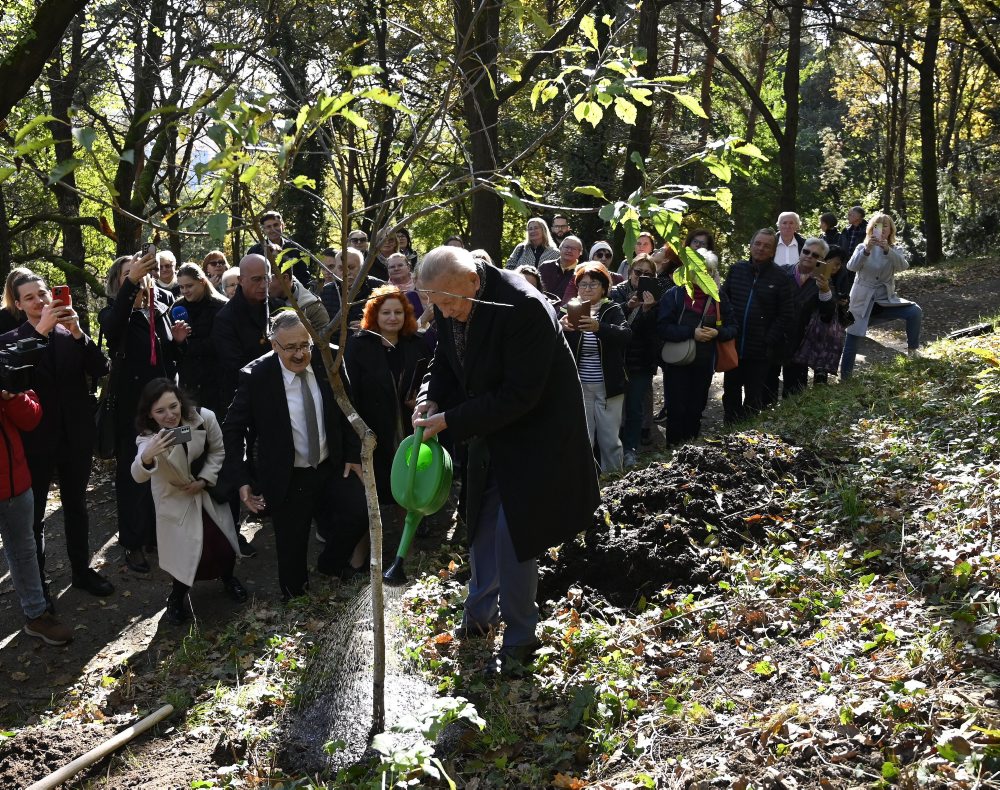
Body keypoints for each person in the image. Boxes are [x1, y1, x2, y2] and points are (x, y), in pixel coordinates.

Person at [413, 246, 600, 674]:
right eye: (436, 305)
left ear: (474, 282)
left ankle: (520, 636)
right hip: (488, 431)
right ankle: (478, 618)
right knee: (479, 524)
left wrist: (451, 420)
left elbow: (521, 396)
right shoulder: (451, 296)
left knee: (515, 535)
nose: (444, 312)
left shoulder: (524, 307)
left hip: (536, 436)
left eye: (448, 304)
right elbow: (444, 357)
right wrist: (431, 398)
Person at [219, 312, 369, 598]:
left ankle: (330, 565)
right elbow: (233, 428)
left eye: (305, 345)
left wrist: (352, 454)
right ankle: (295, 605)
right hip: (287, 475)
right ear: (274, 345)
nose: (300, 354)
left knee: (358, 513)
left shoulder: (329, 359)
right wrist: (241, 479)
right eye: (291, 348)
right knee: (291, 550)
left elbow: (348, 407)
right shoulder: (257, 376)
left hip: (332, 465)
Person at [2, 272, 113, 609]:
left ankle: (82, 570)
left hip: (75, 436)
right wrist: (39, 332)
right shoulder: (10, 339)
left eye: (42, 293)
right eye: (30, 297)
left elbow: (100, 367)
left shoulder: (70, 332)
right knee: (33, 519)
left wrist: (79, 333)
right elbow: (13, 378)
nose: (39, 301)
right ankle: (40, 588)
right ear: (18, 304)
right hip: (35, 441)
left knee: (76, 506)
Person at [98, 250, 190, 573]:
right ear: (118, 283)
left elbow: (167, 364)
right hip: (131, 412)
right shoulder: (113, 313)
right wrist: (132, 281)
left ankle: (153, 536)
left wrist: (176, 343)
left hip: (162, 411)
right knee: (132, 476)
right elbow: (112, 330)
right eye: (127, 274)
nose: (135, 277)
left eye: (138, 273)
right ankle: (132, 544)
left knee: (163, 471)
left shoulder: (159, 312)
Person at [132, 379, 246, 624]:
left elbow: (218, 450)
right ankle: (177, 596)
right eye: (160, 411)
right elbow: (137, 473)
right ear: (150, 414)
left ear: (181, 401)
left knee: (223, 546)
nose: (170, 415)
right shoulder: (148, 439)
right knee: (186, 555)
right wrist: (149, 455)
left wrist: (204, 479)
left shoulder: (203, 418)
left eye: (173, 406)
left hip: (206, 494)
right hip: (176, 503)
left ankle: (229, 579)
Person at [0, 386, 74, 645]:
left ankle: (37, 615)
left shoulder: (6, 363)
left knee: (24, 549)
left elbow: (32, 418)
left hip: (15, 482)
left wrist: (12, 397)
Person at [345, 286, 432, 501]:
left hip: (410, 425)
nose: (393, 317)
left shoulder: (418, 344)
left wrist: (420, 401)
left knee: (411, 481)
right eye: (386, 312)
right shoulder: (358, 345)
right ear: (374, 314)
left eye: (398, 312)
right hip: (373, 430)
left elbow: (431, 381)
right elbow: (350, 394)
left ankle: (412, 520)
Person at [657, 251, 737, 446]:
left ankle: (690, 450)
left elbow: (733, 327)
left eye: (707, 271)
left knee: (696, 408)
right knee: (676, 409)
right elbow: (662, 327)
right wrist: (691, 332)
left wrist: (717, 333)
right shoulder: (674, 295)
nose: (703, 274)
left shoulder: (719, 297)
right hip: (677, 362)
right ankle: (672, 451)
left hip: (704, 362)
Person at [719, 229, 796, 423]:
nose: (761, 248)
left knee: (754, 397)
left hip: (760, 351)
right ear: (751, 245)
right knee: (730, 394)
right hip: (733, 347)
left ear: (773, 251)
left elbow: (786, 315)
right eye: (758, 244)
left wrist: (768, 339)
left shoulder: (781, 278)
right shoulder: (737, 270)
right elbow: (724, 303)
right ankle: (729, 432)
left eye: (767, 246)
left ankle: (748, 438)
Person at [561, 263, 631, 473]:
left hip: (608, 386)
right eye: (583, 284)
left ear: (604, 288)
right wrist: (561, 328)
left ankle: (613, 480)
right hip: (580, 386)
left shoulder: (612, 309)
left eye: (594, 284)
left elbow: (625, 335)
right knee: (584, 439)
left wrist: (600, 327)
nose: (588, 288)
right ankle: (587, 484)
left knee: (610, 439)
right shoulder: (568, 310)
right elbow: (555, 345)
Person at [841, 212, 922, 378]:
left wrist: (887, 250)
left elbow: (903, 267)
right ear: (871, 229)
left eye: (886, 225)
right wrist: (868, 249)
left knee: (914, 311)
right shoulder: (861, 247)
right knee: (852, 338)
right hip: (862, 300)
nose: (882, 228)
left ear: (891, 229)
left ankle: (913, 350)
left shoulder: (895, 249)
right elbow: (851, 267)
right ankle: (845, 378)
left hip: (885, 300)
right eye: (878, 225)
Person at [609, 254, 661, 466]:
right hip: (617, 359)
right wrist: (627, 307)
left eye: (647, 274)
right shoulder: (616, 292)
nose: (641, 276)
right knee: (613, 407)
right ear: (630, 272)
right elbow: (609, 322)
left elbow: (656, 335)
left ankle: (631, 448)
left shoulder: (658, 296)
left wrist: (648, 310)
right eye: (638, 272)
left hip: (642, 361)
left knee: (634, 408)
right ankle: (611, 447)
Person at [213, 254, 281, 412]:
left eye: (267, 278)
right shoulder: (225, 318)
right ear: (241, 280)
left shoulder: (279, 308)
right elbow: (235, 367)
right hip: (246, 399)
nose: (264, 285)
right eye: (256, 279)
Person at [777, 238, 835, 397]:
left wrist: (824, 291)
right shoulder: (782, 272)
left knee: (794, 391)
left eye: (815, 255)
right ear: (801, 251)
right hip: (776, 338)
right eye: (806, 252)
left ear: (822, 260)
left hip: (801, 343)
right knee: (766, 386)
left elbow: (828, 313)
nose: (809, 256)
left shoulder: (823, 281)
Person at [174, 263, 228, 415]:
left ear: (202, 282)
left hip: (216, 382)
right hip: (188, 383)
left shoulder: (222, 307)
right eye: (181, 287)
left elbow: (220, 343)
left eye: (189, 286)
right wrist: (178, 342)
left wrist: (188, 345)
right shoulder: (177, 308)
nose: (185, 291)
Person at [320, 248, 386, 330]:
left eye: (351, 267)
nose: (346, 272)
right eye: (341, 268)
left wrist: (369, 325)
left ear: (362, 268)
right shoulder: (326, 291)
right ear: (335, 269)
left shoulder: (380, 289)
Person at [249, 210, 312, 287]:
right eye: (268, 227)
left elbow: (304, 277)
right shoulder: (255, 252)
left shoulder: (296, 249)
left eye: (276, 225)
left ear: (282, 226)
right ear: (264, 230)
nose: (273, 229)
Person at [268, 262, 331, 334]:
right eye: (258, 279)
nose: (263, 285)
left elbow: (320, 343)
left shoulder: (314, 311)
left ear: (285, 278)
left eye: (268, 279)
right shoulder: (261, 300)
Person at [539, 235, 585, 306]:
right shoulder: (545, 267)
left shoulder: (582, 272)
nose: (569, 250)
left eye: (573, 248)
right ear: (560, 248)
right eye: (567, 247)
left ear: (580, 253)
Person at [0, 267, 33, 334]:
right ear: (10, 288)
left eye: (28, 280)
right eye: (19, 282)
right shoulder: (3, 316)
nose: (25, 285)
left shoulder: (44, 310)